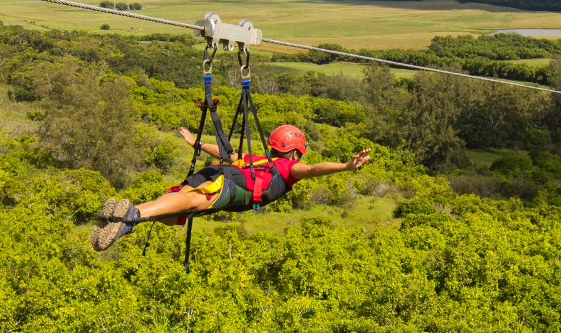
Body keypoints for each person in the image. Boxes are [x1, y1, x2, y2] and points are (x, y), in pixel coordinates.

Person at [91, 124, 371, 251]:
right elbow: (312, 170)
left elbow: (227, 155)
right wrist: (345, 166)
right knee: (192, 203)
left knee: (180, 207)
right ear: (295, 151)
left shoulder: (258, 158)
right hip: (230, 185)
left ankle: (128, 220)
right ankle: (130, 215)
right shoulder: (288, 169)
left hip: (220, 173)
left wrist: (197, 144)